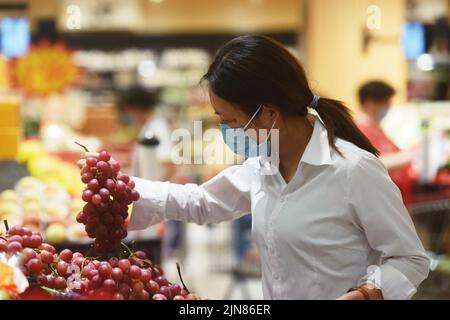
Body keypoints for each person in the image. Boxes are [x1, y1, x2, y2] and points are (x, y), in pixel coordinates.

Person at [85, 35, 429, 300]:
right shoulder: (265, 164)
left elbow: (410, 259)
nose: (230, 132)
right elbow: (203, 202)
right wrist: (121, 187)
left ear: (268, 113)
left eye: (231, 121)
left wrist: (369, 293)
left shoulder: (354, 171)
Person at [117, 85, 185, 261]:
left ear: (134, 109)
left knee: (155, 252)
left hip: (155, 201)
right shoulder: (150, 126)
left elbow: (169, 163)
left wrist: (151, 190)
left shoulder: (156, 128)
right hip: (150, 199)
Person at [356, 81, 416, 205]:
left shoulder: (377, 127)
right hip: (380, 199)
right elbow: (373, 161)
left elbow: (395, 151)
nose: (389, 106)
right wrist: (412, 155)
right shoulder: (359, 130)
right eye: (386, 102)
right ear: (370, 103)